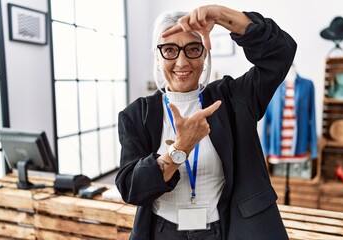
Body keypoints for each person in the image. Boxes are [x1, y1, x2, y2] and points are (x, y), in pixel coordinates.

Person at [116, 4, 297, 240]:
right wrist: (180, 148)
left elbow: (280, 53)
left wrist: (222, 16)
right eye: (170, 50)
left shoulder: (234, 99)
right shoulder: (136, 115)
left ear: (204, 54)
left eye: (192, 48)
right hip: (163, 232)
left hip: (226, 229)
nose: (182, 62)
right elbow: (132, 189)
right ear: (158, 56)